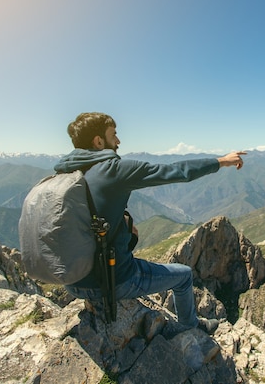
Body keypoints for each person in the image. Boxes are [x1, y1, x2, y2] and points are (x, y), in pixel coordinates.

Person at [55, 112, 246, 334]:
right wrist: (222, 161)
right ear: (98, 141)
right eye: (113, 135)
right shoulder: (113, 170)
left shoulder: (65, 173)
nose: (118, 141)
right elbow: (174, 171)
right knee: (183, 275)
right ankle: (189, 327)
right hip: (111, 282)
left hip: (71, 281)